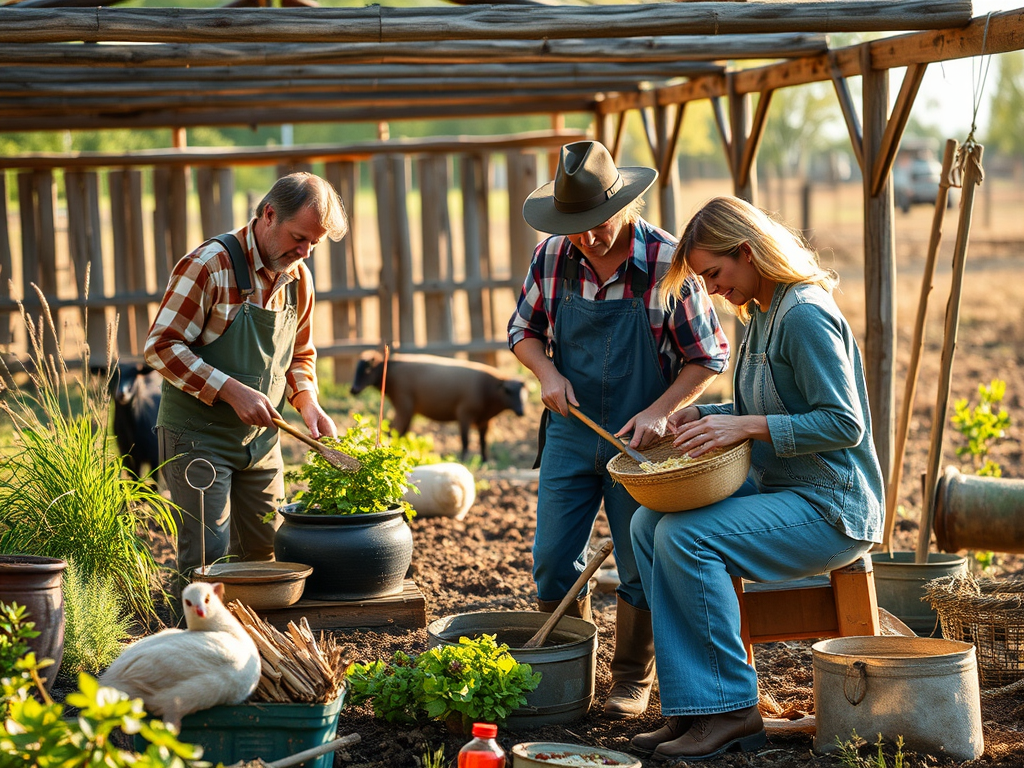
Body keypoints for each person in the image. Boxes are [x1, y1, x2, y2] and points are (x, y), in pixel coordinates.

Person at [629, 196, 884, 760]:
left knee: (685, 537)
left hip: (831, 504)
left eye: (715, 274)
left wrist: (743, 425)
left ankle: (734, 711)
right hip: (782, 488)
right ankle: (692, 706)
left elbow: (844, 423)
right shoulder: (762, 313)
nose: (713, 290)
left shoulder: (804, 315)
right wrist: (706, 414)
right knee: (649, 524)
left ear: (747, 252)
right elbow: (762, 406)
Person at [508, 141, 730, 719]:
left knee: (638, 562)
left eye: (597, 224)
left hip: (642, 443)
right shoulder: (551, 257)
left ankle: (632, 677)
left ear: (624, 203)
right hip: (570, 430)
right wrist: (547, 371)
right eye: (575, 227)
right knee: (553, 558)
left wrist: (661, 410)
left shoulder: (666, 262)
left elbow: (706, 355)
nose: (587, 237)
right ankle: (568, 668)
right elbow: (522, 330)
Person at [144, 172, 348, 595]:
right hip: (197, 438)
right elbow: (160, 347)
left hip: (262, 443)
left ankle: (256, 656)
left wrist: (308, 403)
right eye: (298, 237)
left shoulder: (298, 278)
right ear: (269, 214)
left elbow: (299, 356)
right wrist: (230, 390)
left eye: (314, 244)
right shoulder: (208, 265)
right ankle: (196, 652)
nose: (304, 252)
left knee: (267, 553)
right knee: (207, 560)